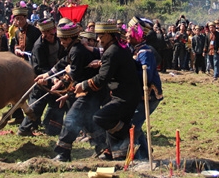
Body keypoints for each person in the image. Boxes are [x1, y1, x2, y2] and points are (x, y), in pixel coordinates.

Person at [76, 21, 140, 160]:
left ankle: (135, 138)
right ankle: (115, 153)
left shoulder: (112, 51)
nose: (98, 39)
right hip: (126, 94)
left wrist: (84, 85)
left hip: (125, 97)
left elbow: (102, 79)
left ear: (108, 35)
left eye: (100, 36)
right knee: (114, 122)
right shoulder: (117, 49)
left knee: (101, 117)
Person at [52, 24, 105, 162]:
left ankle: (63, 153)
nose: (61, 42)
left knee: (71, 120)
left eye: (63, 39)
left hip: (87, 93)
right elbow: (65, 64)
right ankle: (104, 148)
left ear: (69, 38)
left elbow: (75, 74)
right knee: (88, 121)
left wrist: (69, 70)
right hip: (88, 93)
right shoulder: (75, 49)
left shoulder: (76, 51)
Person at [18, 18, 63, 137]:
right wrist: (51, 77)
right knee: (36, 106)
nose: (48, 35)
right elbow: (40, 67)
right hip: (41, 78)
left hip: (56, 77)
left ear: (54, 30)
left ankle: (51, 128)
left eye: (50, 32)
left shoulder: (59, 41)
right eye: (45, 33)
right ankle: (24, 129)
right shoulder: (39, 46)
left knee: (56, 104)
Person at [127, 17, 163, 161]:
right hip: (140, 95)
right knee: (135, 124)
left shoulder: (145, 52)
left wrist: (128, 71)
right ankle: (145, 153)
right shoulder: (134, 49)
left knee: (134, 124)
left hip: (149, 95)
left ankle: (141, 155)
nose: (127, 34)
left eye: (130, 32)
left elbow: (146, 74)